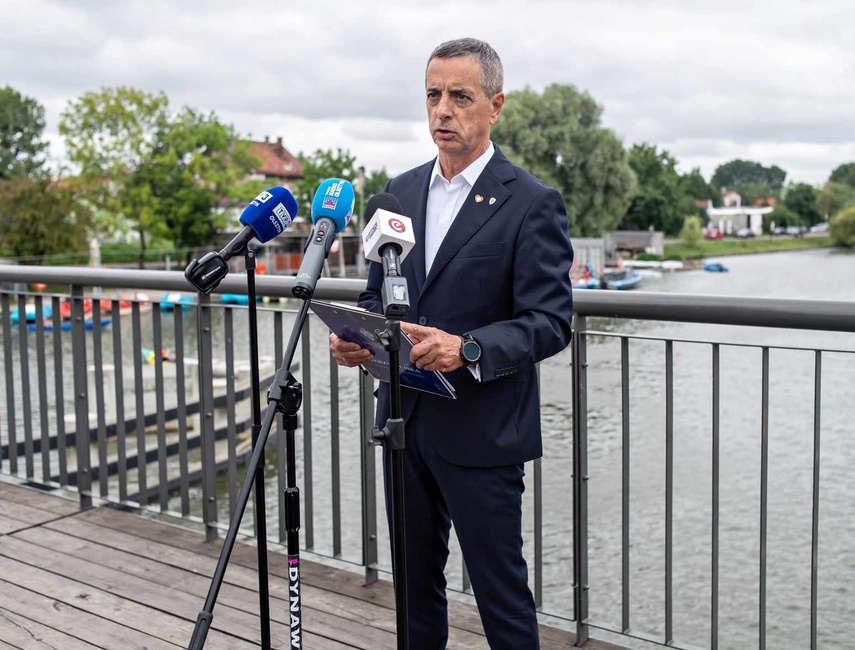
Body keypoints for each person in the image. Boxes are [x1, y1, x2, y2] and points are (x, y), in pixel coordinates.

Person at [330, 37, 574, 649]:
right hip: (403, 422)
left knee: (501, 595)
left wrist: (468, 348)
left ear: (495, 106)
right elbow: (375, 296)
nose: (442, 110)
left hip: (482, 431)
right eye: (433, 95)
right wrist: (356, 339)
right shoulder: (399, 192)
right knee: (414, 588)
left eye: (460, 97)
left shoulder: (531, 202)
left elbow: (550, 320)